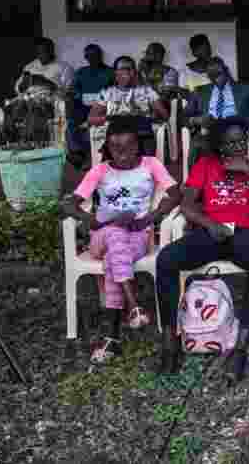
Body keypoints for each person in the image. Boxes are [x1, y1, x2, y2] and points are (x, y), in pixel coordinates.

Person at [61, 116, 180, 363]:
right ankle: (132, 302)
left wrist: (150, 217)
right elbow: (69, 204)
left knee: (115, 254)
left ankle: (111, 337)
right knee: (114, 234)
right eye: (115, 148)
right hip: (100, 236)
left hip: (137, 234)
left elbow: (175, 193)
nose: (122, 153)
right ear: (108, 148)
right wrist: (89, 219)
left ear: (138, 145)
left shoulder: (151, 164)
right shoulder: (100, 170)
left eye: (128, 147)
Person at [154, 117, 249, 380]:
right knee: (166, 260)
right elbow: (187, 205)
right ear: (219, 146)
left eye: (241, 141)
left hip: (243, 233)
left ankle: (240, 347)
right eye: (231, 143)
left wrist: (248, 172)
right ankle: (170, 341)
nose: (238, 147)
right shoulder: (206, 165)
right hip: (210, 231)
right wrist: (210, 224)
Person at [183, 57, 249, 167]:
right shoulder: (200, 92)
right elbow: (183, 117)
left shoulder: (245, 89)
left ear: (226, 70)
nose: (216, 79)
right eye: (212, 76)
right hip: (210, 130)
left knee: (237, 139)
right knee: (198, 144)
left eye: (219, 74)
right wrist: (195, 120)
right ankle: (198, 180)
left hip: (236, 130)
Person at [89, 56, 170, 158]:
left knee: (140, 127)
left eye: (132, 69)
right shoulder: (107, 93)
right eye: (125, 69)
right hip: (116, 132)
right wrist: (108, 118)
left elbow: (164, 115)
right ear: (116, 73)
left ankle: (142, 164)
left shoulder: (146, 91)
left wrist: (154, 115)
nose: (130, 73)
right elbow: (91, 119)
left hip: (141, 131)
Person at [66, 44, 114, 169]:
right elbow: (73, 90)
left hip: (104, 107)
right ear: (86, 57)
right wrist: (79, 96)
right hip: (84, 105)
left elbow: (115, 91)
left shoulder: (110, 72)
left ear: (100, 56)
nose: (92, 58)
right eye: (89, 56)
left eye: (95, 55)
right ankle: (78, 152)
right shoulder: (81, 72)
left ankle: (89, 155)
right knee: (72, 121)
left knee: (91, 123)